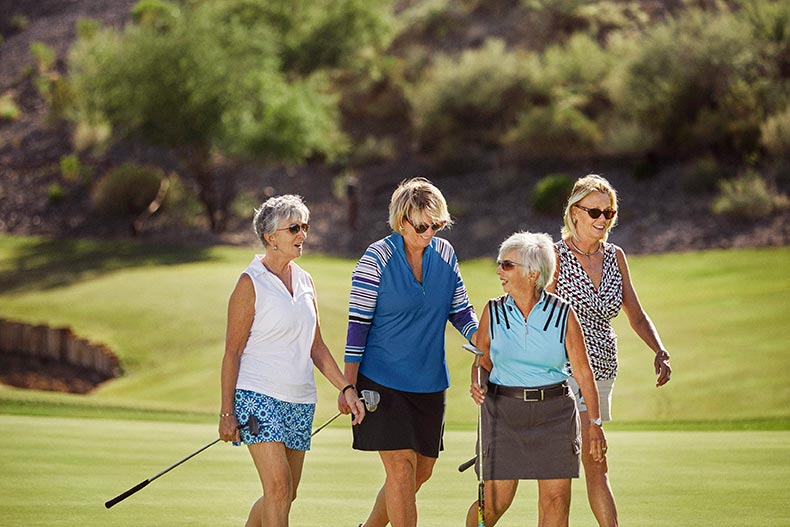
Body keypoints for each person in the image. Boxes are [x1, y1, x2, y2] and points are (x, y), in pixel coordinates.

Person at [338, 177, 479, 527]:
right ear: (401, 221)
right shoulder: (375, 259)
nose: (430, 232)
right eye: (422, 225)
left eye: (438, 224)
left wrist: (482, 341)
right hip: (381, 381)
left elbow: (460, 310)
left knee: (421, 472)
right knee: (401, 469)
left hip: (429, 382)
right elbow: (357, 328)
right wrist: (347, 386)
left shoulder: (445, 255)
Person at [219, 194, 366, 527]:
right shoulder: (249, 283)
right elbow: (232, 352)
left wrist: (345, 388)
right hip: (258, 397)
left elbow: (315, 345)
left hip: (300, 400)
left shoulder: (304, 280)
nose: (303, 234)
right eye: (294, 228)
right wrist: (227, 412)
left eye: (305, 227)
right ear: (271, 237)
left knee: (285, 495)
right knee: (278, 489)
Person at [546, 174, 673, 527]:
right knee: (567, 467)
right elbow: (541, 317)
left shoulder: (615, 256)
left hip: (601, 371)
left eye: (609, 212)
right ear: (574, 213)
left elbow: (635, 311)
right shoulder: (554, 257)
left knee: (596, 462)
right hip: (562, 372)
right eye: (595, 212)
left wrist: (658, 350)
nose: (603, 219)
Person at [465, 231, 606, 527]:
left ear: (532, 273)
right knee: (492, 503)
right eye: (500, 263)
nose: (499, 271)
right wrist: (478, 380)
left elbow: (583, 373)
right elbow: (483, 360)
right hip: (503, 413)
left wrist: (594, 425)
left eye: (507, 265)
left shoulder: (563, 314)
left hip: (554, 415)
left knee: (555, 503)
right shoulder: (493, 311)